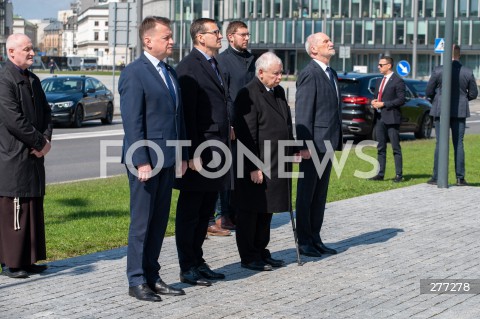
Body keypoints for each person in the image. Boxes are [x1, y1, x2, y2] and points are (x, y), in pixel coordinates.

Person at [118, 16, 187, 302]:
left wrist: (181, 154)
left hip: (168, 159)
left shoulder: (168, 72)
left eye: (171, 37)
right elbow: (133, 122)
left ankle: (152, 275)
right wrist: (141, 160)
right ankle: (136, 280)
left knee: (159, 222)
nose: (172, 41)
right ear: (148, 40)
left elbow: (176, 117)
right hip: (146, 161)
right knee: (142, 223)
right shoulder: (135, 72)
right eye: (166, 37)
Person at [174, 18, 231, 287]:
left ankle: (198, 260)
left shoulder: (212, 63)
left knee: (205, 211)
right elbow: (187, 115)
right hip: (200, 153)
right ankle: (187, 266)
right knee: (190, 212)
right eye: (216, 32)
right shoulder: (189, 67)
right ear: (200, 37)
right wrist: (191, 153)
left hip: (217, 150)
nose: (221, 36)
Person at [234, 52, 295, 271]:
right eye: (276, 73)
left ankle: (261, 251)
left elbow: (286, 124)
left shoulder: (277, 91)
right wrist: (252, 166)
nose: (280, 77)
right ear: (261, 73)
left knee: (266, 210)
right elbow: (245, 133)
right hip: (256, 164)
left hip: (276, 161)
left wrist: (293, 148)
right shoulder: (247, 94)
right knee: (251, 212)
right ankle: (249, 256)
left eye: (281, 72)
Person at [0, 33, 52, 279]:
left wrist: (46, 141)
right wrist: (40, 141)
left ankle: (28, 259)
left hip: (33, 156)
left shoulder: (33, 79)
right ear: (11, 52)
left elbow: (46, 113)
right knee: (16, 211)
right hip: (14, 157)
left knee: (32, 208)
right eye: (27, 49)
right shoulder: (4, 80)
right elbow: (14, 120)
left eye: (33, 49)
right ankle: (12, 263)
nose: (33, 53)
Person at [295, 32, 342, 258]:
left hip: (328, 144)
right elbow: (304, 113)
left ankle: (315, 237)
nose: (331, 43)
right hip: (312, 145)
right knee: (307, 195)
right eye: (326, 42)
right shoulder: (310, 74)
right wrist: (303, 145)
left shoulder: (330, 73)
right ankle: (304, 241)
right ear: (313, 49)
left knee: (320, 195)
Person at [208, 21, 256, 235]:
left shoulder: (252, 59)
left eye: (248, 35)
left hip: (250, 124)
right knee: (226, 170)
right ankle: (221, 215)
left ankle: (235, 211)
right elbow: (223, 96)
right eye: (242, 35)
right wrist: (230, 124)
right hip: (232, 125)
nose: (246, 38)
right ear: (230, 37)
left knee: (242, 171)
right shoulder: (222, 61)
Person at [426, 44, 478, 186]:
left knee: (440, 143)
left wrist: (437, 99)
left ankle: (436, 176)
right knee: (459, 144)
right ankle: (460, 178)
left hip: (440, 110)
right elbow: (473, 93)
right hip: (459, 111)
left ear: (447, 54)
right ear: (459, 55)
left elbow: (428, 91)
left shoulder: (438, 70)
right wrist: (462, 100)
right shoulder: (467, 71)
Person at [369, 56, 406, 183]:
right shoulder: (379, 80)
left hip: (392, 118)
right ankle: (380, 174)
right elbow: (376, 97)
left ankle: (398, 175)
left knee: (395, 147)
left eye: (381, 65)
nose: (379, 67)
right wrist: (373, 102)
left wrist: (384, 104)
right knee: (380, 147)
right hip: (379, 118)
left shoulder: (398, 81)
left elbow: (401, 100)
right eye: (379, 65)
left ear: (389, 65)